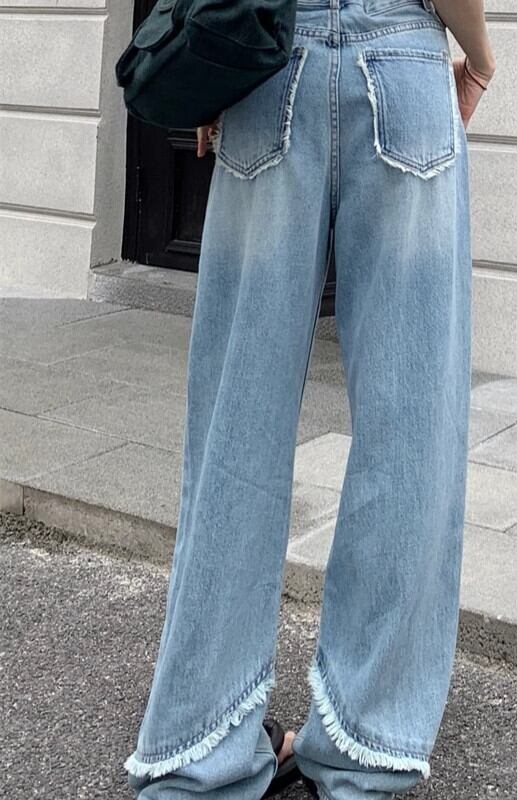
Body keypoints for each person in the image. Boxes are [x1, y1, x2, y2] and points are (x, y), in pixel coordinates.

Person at [123, 0, 495, 797]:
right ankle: (365, 754)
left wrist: (217, 71)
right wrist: (480, 59)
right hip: (403, 62)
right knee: (412, 430)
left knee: (234, 423)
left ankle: (201, 756)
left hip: (269, 60)